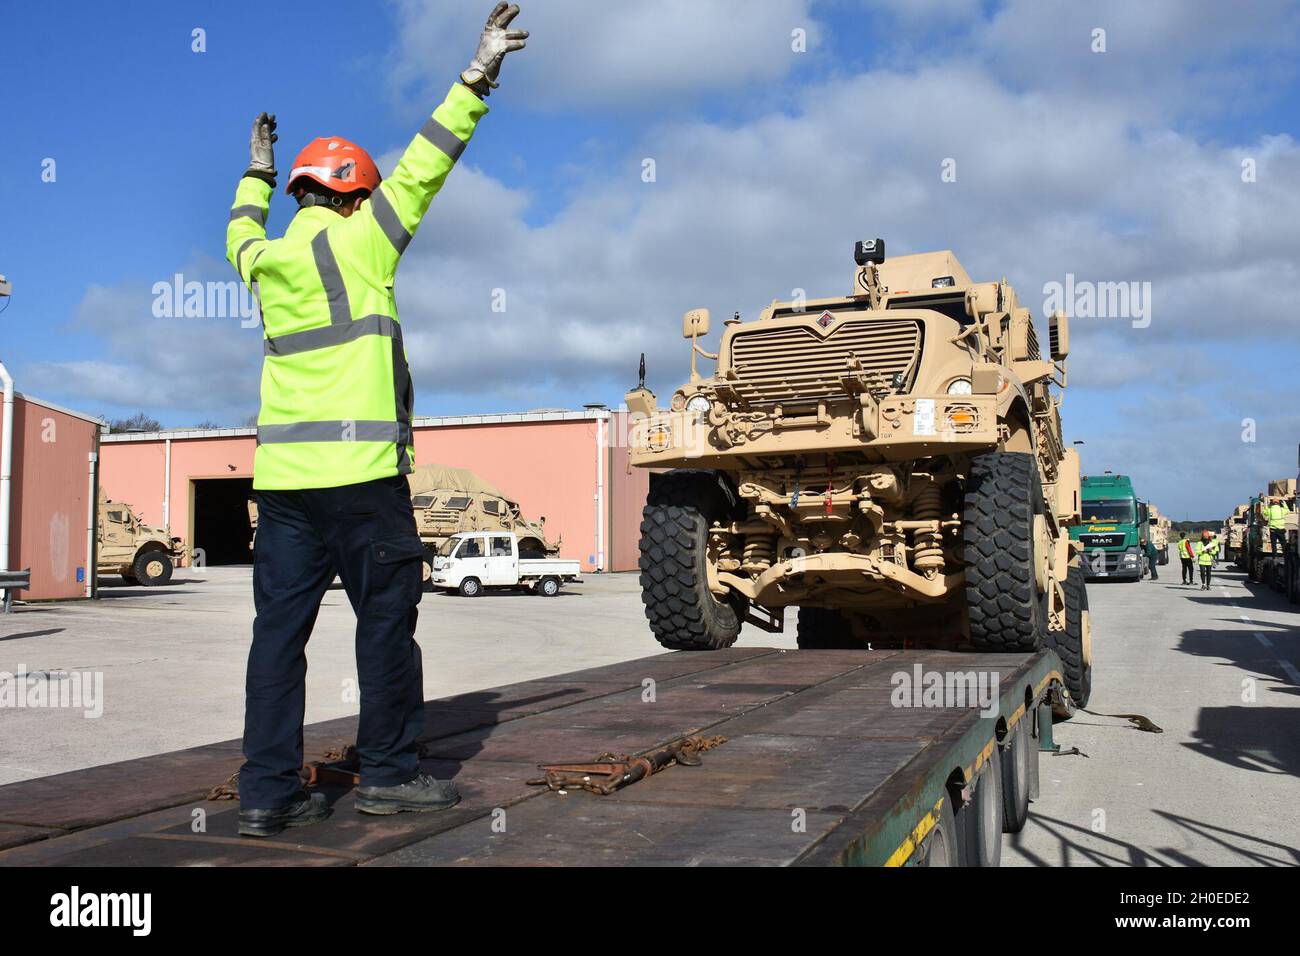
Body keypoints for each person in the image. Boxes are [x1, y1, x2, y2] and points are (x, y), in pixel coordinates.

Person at [225, 3, 528, 838]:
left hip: (284, 490)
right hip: (362, 483)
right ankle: (392, 776)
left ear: (300, 195)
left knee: (277, 641)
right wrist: (478, 75)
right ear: (357, 195)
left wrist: (255, 170)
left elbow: (237, 234)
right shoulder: (370, 242)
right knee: (385, 629)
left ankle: (265, 794)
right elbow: (431, 161)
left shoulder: (267, 263)